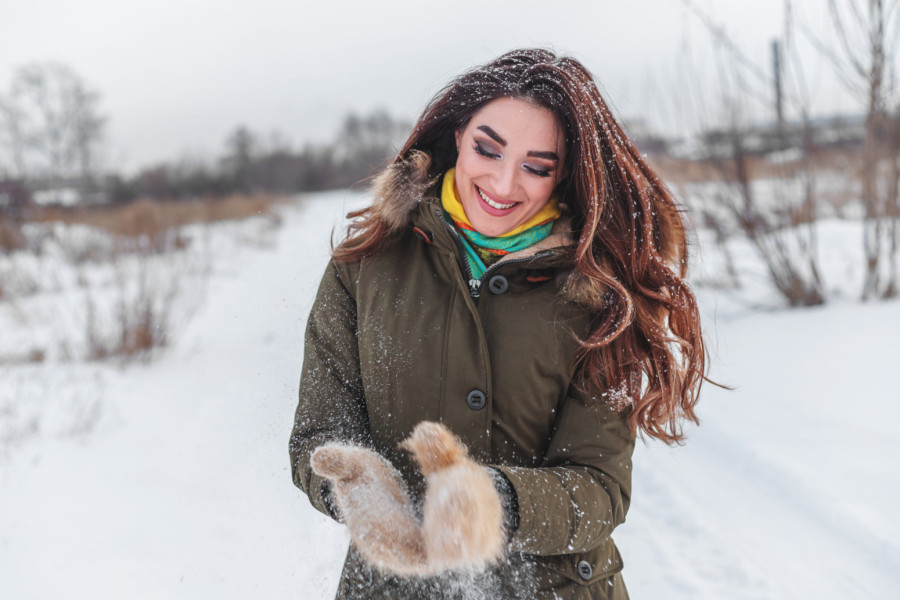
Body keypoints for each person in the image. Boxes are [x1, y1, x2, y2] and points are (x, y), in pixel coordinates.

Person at [290, 48, 707, 600]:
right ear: (458, 135)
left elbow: (601, 489)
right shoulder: (365, 267)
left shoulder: (601, 293)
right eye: (488, 148)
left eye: (537, 166)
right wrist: (356, 487)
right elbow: (317, 438)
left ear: (565, 175)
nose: (505, 184)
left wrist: (499, 504)